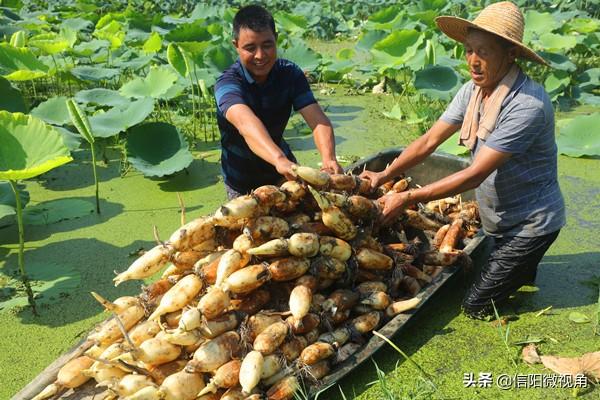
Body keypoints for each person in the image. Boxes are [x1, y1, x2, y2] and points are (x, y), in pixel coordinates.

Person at [360, 1, 565, 319]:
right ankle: (520, 269)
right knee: (512, 275)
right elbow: (428, 141)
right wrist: (384, 175)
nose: (473, 61)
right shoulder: (473, 90)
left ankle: (523, 262)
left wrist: (409, 196)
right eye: (469, 50)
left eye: (483, 52)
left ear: (510, 53)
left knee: (475, 306)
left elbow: (475, 174)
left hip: (530, 224)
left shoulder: (527, 105)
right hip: (496, 219)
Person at [214, 4, 342, 199]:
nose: (260, 55)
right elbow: (246, 124)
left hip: (283, 173)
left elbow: (317, 120)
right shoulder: (228, 84)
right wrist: (278, 158)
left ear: (277, 40)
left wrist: (329, 158)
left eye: (267, 45)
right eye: (250, 48)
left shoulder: (290, 73)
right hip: (242, 181)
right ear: (236, 46)